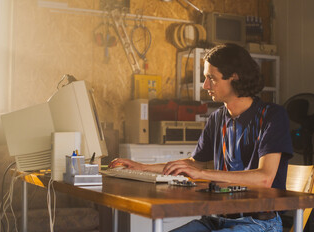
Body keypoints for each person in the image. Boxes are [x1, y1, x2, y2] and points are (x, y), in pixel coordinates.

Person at [110, 43, 293, 232]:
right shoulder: (217, 118)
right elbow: (194, 164)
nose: (205, 85)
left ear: (234, 77)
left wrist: (203, 174)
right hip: (215, 219)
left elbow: (264, 179)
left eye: (211, 78)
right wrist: (141, 167)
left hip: (259, 223)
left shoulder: (272, 116)